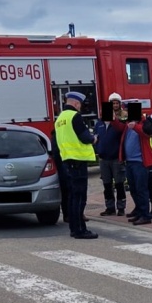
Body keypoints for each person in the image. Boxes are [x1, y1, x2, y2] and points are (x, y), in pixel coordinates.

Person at [53, 91, 98, 239]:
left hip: (67, 161)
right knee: (79, 197)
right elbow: (84, 137)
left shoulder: (59, 119)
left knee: (72, 197)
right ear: (76, 103)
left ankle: (74, 228)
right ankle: (80, 230)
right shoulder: (75, 117)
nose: (80, 107)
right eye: (80, 104)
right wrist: (93, 138)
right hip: (78, 161)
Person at [120, 103, 152, 225]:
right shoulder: (128, 124)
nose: (126, 112)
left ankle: (145, 215)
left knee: (142, 189)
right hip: (130, 162)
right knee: (133, 189)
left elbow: (146, 134)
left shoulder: (144, 122)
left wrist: (135, 126)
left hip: (140, 162)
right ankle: (139, 212)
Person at [97, 92, 128, 216]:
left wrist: (114, 120)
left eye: (116, 103)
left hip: (116, 158)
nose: (114, 106)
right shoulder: (99, 124)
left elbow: (123, 131)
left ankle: (121, 208)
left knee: (119, 184)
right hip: (103, 159)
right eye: (112, 104)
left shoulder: (119, 122)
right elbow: (97, 137)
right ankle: (109, 207)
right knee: (106, 185)